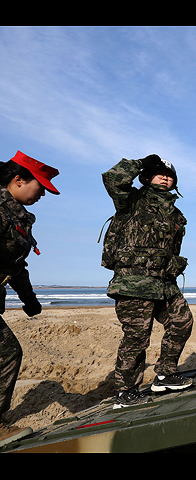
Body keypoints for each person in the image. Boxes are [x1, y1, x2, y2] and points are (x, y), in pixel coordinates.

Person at [102, 154, 193, 409]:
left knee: (182, 321)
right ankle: (125, 392)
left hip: (163, 284)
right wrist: (141, 161)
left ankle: (164, 374)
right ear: (146, 177)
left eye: (170, 175)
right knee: (137, 338)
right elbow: (113, 179)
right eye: (159, 172)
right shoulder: (131, 200)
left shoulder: (175, 213)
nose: (165, 177)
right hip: (134, 283)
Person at [0, 150, 59, 447]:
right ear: (18, 179)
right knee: (7, 354)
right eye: (41, 188)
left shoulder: (17, 214)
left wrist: (29, 300)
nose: (43, 195)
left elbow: (15, 265)